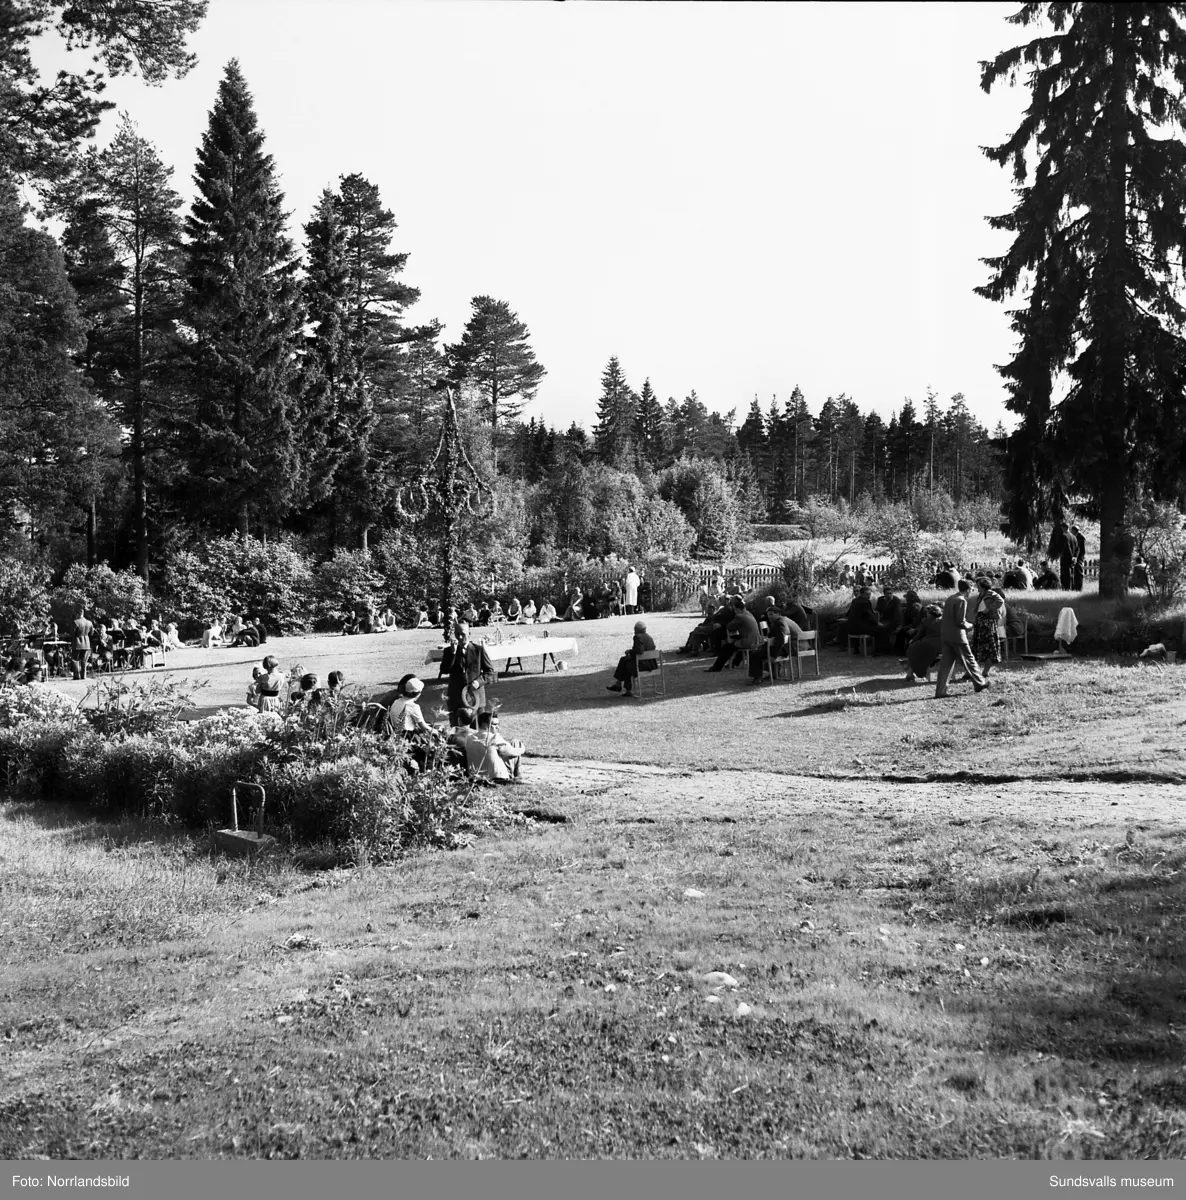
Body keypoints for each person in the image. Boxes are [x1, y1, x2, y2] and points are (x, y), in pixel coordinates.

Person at [934, 580, 989, 698]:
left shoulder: (950, 598)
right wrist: (972, 625)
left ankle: (940, 691)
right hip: (957, 636)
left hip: (946, 634)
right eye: (972, 589)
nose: (972, 592)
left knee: (946, 664)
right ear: (968, 589)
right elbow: (960, 621)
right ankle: (980, 682)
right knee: (969, 659)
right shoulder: (961, 601)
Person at [446, 622, 495, 723]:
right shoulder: (449, 651)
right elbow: (445, 670)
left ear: (469, 634)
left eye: (462, 634)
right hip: (456, 698)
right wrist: (453, 654)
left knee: (477, 729)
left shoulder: (479, 650)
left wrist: (478, 682)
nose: (459, 637)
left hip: (476, 698)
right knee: (457, 731)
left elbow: (490, 673)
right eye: (457, 634)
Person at [705, 597, 764, 672]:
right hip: (756, 640)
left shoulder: (739, 616)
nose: (734, 611)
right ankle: (734, 663)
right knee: (735, 644)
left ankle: (716, 667)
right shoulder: (749, 613)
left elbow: (729, 626)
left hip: (748, 642)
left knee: (728, 647)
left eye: (734, 609)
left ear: (737, 609)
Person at [750, 605, 803, 684]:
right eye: (768, 615)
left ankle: (757, 677)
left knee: (754, 653)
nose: (769, 617)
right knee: (762, 649)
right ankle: (772, 673)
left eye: (772, 614)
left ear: (778, 613)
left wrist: (774, 655)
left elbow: (781, 639)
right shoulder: (784, 620)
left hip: (788, 648)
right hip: (791, 646)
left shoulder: (780, 623)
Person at [606, 621, 658, 696]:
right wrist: (632, 653)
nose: (634, 631)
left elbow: (639, 651)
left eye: (635, 629)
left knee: (624, 662)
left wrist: (630, 652)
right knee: (625, 661)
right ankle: (621, 686)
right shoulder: (649, 638)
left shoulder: (637, 637)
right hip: (651, 665)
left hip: (642, 665)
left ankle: (621, 685)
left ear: (637, 629)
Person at [970, 576, 1006, 679]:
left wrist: (989, 609)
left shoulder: (990, 593)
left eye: (978, 586)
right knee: (978, 646)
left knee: (989, 647)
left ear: (983, 586)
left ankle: (985, 671)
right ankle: (976, 671)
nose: (977, 587)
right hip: (980, 622)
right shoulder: (982, 594)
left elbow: (1000, 601)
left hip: (988, 622)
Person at [904, 604, 943, 683]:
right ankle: (910, 674)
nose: (926, 614)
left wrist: (912, 640)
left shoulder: (925, 621)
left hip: (929, 644)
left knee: (912, 649)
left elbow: (919, 634)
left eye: (927, 612)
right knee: (918, 650)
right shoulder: (944, 620)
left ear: (931, 613)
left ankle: (910, 673)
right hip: (942, 646)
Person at [873, 583, 903, 654]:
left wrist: (893, 624)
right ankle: (879, 649)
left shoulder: (896, 600)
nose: (889, 595)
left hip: (893, 620)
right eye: (887, 593)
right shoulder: (880, 599)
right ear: (884, 594)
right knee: (876, 627)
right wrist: (877, 620)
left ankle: (885, 649)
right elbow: (877, 610)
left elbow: (897, 614)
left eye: (890, 593)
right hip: (883, 619)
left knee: (883, 628)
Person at [1048, 519, 1074, 590]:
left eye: (1061, 528)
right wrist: (1074, 557)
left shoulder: (1064, 536)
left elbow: (1067, 548)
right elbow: (1077, 548)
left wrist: (1070, 558)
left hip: (1066, 558)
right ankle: (1070, 587)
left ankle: (1065, 588)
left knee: (1065, 574)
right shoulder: (1073, 536)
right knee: (1070, 574)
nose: (1061, 529)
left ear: (1064, 527)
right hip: (1072, 558)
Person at [70, 605, 94, 680]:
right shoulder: (89, 623)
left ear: (77, 614)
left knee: (75, 660)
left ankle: (76, 676)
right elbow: (92, 633)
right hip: (86, 643)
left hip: (77, 643)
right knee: (84, 661)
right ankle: (84, 676)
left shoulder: (75, 622)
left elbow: (72, 633)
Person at [1070, 524, 1086, 591]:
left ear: (1074, 531)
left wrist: (1076, 557)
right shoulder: (1075, 536)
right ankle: (1074, 587)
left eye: (1072, 531)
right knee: (1074, 572)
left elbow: (1080, 549)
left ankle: (1079, 587)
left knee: (1079, 572)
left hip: (1079, 557)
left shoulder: (1081, 537)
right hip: (1075, 556)